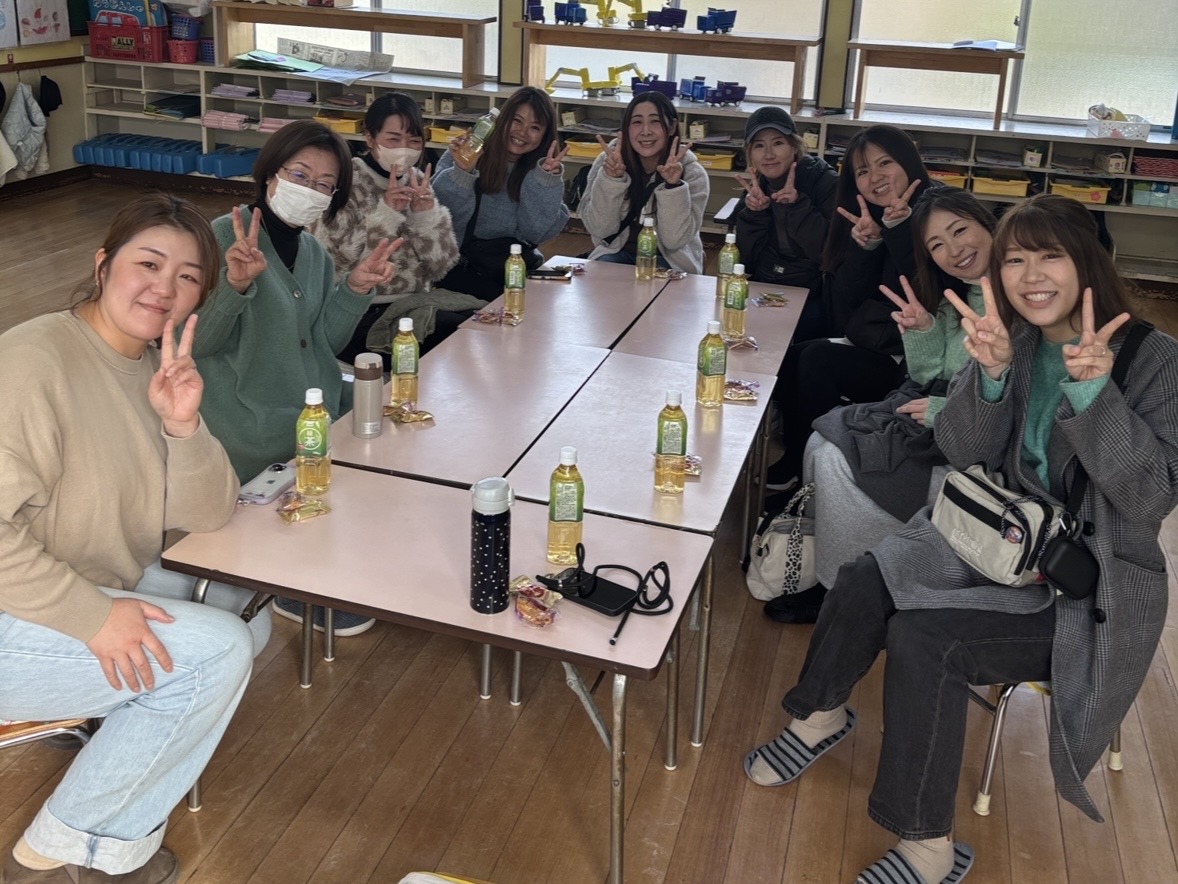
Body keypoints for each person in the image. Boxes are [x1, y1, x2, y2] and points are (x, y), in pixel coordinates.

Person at [744, 194, 1178, 884]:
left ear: (1086, 262)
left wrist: (1097, 395)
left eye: (1049, 256)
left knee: (926, 641)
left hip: (1082, 586)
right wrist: (993, 377)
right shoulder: (1014, 339)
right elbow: (964, 448)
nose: (1030, 276)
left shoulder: (1154, 361)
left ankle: (927, 844)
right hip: (994, 535)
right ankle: (818, 715)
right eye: (1015, 260)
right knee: (863, 577)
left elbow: (1152, 495)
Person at [0, 193, 260, 883]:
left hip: (63, 583)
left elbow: (208, 513)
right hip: (15, 609)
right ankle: (55, 857)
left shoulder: (152, 366)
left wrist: (183, 425)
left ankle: (107, 751)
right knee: (215, 654)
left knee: (245, 612)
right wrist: (92, 617)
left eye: (186, 276)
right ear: (102, 265)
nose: (163, 287)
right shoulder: (32, 360)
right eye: (148, 263)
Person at [193, 120, 398, 636]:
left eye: (325, 184)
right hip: (250, 419)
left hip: (310, 404)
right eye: (300, 175)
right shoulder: (220, 238)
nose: (310, 190)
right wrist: (233, 286)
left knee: (388, 432)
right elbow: (195, 345)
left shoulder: (312, 254)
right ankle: (292, 585)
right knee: (342, 456)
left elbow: (321, 341)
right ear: (270, 174)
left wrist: (354, 288)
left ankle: (335, 559)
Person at [778, 189, 995, 623]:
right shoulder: (958, 295)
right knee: (821, 441)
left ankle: (844, 592)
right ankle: (838, 567)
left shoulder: (1017, 298)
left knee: (838, 462)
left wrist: (944, 412)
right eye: (937, 245)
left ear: (989, 225)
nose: (954, 250)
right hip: (937, 413)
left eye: (960, 231)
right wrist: (924, 329)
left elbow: (1009, 399)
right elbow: (931, 373)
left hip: (976, 448)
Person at [767, 125, 932, 493]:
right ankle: (797, 459)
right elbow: (849, 298)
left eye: (885, 163)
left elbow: (926, 289)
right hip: (880, 338)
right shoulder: (869, 216)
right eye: (863, 171)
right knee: (794, 358)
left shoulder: (934, 210)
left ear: (907, 161)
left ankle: (810, 483)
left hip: (917, 358)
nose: (876, 177)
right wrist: (867, 247)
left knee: (817, 362)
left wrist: (899, 229)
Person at [311, 92, 470, 362]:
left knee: (480, 327)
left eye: (414, 140)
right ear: (370, 138)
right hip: (359, 311)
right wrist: (386, 213)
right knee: (456, 341)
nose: (404, 148)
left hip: (414, 306)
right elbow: (333, 267)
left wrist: (426, 216)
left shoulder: (417, 180)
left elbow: (442, 266)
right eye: (393, 139)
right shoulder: (345, 181)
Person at [433, 87, 570, 302]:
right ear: (501, 120)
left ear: (545, 135)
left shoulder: (542, 169)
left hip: (512, 266)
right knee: (513, 306)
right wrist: (462, 171)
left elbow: (535, 234)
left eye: (535, 127)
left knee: (555, 300)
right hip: (462, 268)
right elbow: (438, 215)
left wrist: (545, 181)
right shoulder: (467, 152)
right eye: (516, 121)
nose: (522, 132)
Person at [734, 106, 838, 341]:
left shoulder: (825, 182)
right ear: (750, 154)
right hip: (767, 284)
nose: (769, 154)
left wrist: (796, 207)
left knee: (797, 334)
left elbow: (828, 254)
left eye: (778, 143)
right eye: (759, 146)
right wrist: (754, 214)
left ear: (795, 146)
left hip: (813, 289)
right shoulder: (756, 188)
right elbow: (745, 261)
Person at [580, 90, 709, 274]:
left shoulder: (693, 173)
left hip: (670, 260)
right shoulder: (607, 162)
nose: (646, 131)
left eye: (655, 121)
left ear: (672, 127)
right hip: (617, 253)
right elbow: (600, 230)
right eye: (637, 122)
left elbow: (674, 241)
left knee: (656, 282)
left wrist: (673, 187)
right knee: (601, 272)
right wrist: (611, 180)